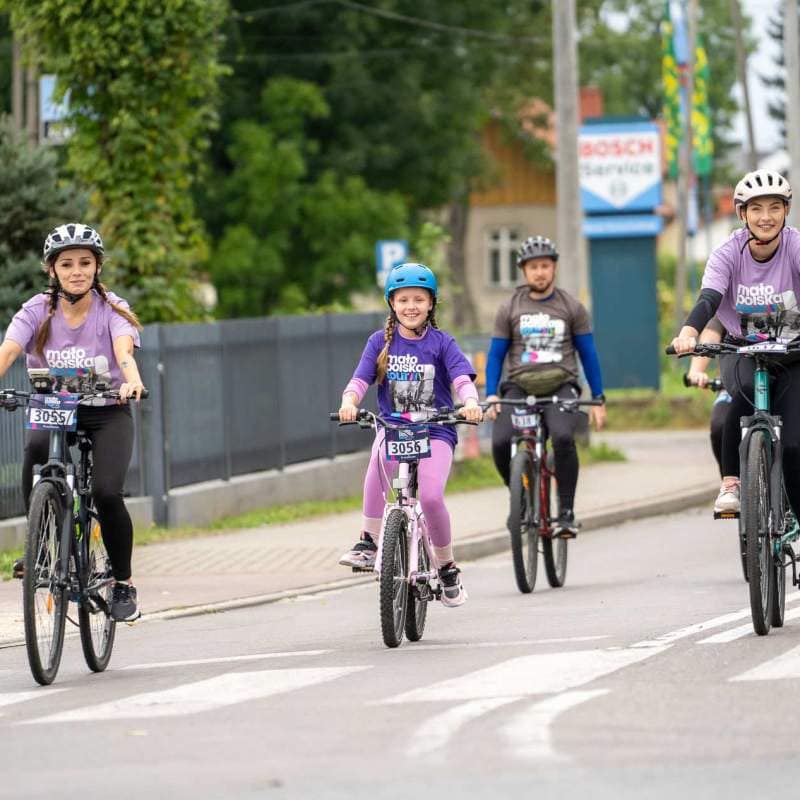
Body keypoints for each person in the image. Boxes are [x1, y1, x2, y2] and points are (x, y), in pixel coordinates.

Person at [0, 223, 146, 621]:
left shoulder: (112, 309)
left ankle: (123, 582)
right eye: (67, 264)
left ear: (97, 267)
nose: (77, 270)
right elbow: (9, 350)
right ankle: (41, 550)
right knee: (34, 452)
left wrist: (131, 380)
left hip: (106, 410)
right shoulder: (36, 310)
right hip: (56, 407)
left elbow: (123, 350)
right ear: (53, 270)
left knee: (106, 492)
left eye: (85, 263)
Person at [337, 263, 482, 607]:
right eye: (403, 300)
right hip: (396, 429)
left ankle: (446, 566)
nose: (411, 306)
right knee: (376, 466)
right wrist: (348, 401)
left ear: (431, 303)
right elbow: (360, 379)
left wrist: (471, 403)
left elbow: (462, 378)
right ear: (392, 303)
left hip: (435, 431)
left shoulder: (442, 343)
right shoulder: (379, 343)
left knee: (430, 497)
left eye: (419, 299)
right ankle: (368, 543)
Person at [671, 169, 800, 515]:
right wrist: (688, 332)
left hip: (791, 352)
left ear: (786, 211)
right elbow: (709, 299)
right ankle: (731, 484)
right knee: (740, 396)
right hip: (742, 348)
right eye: (756, 209)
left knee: (793, 445)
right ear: (743, 214)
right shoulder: (728, 253)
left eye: (775, 208)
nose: (766, 217)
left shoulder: (795, 246)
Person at [484, 235, 606, 538]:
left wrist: (598, 397)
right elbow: (496, 355)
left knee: (563, 438)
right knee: (500, 443)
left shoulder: (571, 307)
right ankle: (519, 493)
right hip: (518, 387)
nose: (539, 272)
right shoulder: (509, 307)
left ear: (554, 268)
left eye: (545, 266)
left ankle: (565, 513)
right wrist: (491, 393)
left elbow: (588, 354)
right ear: (523, 271)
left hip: (560, 385)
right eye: (533, 267)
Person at [684, 317, 731, 479]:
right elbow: (711, 335)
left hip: (783, 378)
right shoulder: (734, 300)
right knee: (720, 426)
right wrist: (696, 370)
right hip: (733, 383)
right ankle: (731, 483)